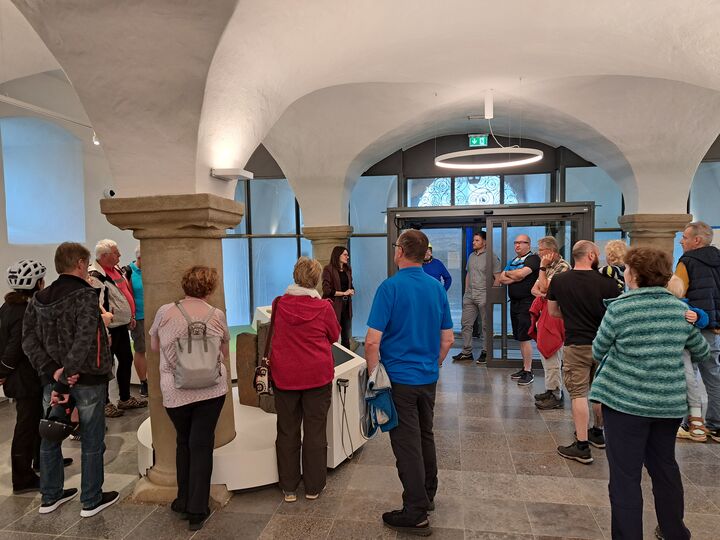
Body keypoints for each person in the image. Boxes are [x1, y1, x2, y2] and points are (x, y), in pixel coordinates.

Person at [589, 246, 711, 540]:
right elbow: (702, 350)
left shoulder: (620, 307)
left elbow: (597, 349)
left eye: (629, 269)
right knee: (664, 467)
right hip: (667, 405)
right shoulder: (679, 309)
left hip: (624, 404)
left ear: (634, 275)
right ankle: (674, 531)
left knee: (625, 476)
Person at [365, 229, 454, 536]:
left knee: (406, 443)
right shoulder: (436, 288)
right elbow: (448, 338)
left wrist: (374, 377)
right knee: (425, 434)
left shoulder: (389, 288)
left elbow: (372, 342)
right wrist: (435, 362)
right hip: (427, 377)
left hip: (399, 379)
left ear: (400, 251)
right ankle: (428, 494)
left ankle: (415, 511)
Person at [22, 242, 118, 517]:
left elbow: (28, 340)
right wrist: (65, 375)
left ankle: (50, 497)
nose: (87, 269)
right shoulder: (86, 296)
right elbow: (85, 339)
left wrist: (52, 370)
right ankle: (91, 499)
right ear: (79, 264)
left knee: (50, 435)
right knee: (91, 439)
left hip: (51, 380)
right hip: (86, 379)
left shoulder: (39, 298)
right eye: (86, 265)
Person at [149, 266, 230, 531]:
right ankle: (197, 509)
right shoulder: (216, 315)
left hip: (175, 390)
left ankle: (182, 499)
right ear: (210, 288)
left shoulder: (165, 311)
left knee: (183, 441)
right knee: (201, 444)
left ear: (185, 285)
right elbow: (224, 353)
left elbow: (153, 346)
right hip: (211, 390)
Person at [270, 257, 340, 503]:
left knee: (287, 429)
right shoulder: (324, 308)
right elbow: (334, 335)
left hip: (285, 376)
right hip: (316, 377)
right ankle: (313, 486)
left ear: (294, 275)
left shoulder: (279, 304)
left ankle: (288, 487)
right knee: (315, 431)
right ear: (316, 280)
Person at [547, 240, 620, 464]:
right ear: (590, 256)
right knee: (598, 391)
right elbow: (615, 314)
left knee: (578, 394)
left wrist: (570, 316)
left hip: (575, 343)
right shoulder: (607, 282)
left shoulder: (559, 280)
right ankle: (598, 433)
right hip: (602, 343)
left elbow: (553, 312)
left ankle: (581, 445)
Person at [1, 260, 47, 493]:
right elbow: (15, 347)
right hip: (23, 378)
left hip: (25, 377)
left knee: (35, 419)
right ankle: (22, 478)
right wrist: (3, 371)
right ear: (37, 283)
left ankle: (39, 461)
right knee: (26, 426)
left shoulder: (9, 306)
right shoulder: (23, 311)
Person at [88, 239, 147, 417]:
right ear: (104, 256)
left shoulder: (117, 270)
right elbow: (96, 305)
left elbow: (125, 294)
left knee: (126, 360)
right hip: (109, 329)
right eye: (116, 252)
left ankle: (125, 398)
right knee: (106, 367)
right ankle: (105, 403)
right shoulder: (95, 276)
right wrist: (104, 331)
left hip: (121, 326)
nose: (120, 255)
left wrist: (131, 316)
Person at [674, 221, 720, 442]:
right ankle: (716, 425)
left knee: (688, 374)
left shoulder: (687, 262)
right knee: (714, 375)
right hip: (715, 328)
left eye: (684, 237)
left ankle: (690, 423)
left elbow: (677, 293)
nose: (681, 240)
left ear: (697, 240)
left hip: (692, 327)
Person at [667, 275, 711, 442]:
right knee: (689, 382)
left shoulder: (686, 307)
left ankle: (696, 417)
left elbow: (704, 318)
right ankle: (693, 418)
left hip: (683, 350)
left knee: (690, 381)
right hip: (677, 351)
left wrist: (697, 317)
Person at [530, 236, 571, 409]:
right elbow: (534, 289)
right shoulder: (548, 267)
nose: (538, 254)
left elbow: (545, 288)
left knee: (553, 357)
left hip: (556, 319)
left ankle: (556, 395)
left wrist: (542, 269)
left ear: (551, 252)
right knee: (546, 358)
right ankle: (550, 388)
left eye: (541, 251)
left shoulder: (563, 267)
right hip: (544, 315)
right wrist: (545, 292)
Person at [498, 234, 541, 384]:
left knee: (525, 337)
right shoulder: (513, 261)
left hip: (527, 303)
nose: (517, 245)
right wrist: (514, 275)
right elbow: (501, 278)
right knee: (519, 337)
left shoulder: (533, 259)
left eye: (521, 243)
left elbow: (522, 274)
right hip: (515, 303)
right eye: (515, 243)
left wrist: (515, 274)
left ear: (528, 244)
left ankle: (529, 371)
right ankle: (525, 367)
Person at [452, 231, 501, 364]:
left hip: (484, 294)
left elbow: (498, 278)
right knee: (466, 324)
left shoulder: (492, 257)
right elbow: (468, 274)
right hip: (470, 295)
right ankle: (467, 352)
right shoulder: (471, 256)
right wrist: (466, 291)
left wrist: (492, 295)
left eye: (477, 240)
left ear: (484, 242)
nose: (473, 242)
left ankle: (486, 352)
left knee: (486, 325)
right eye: (473, 240)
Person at [124, 245, 147, 397]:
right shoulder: (129, 272)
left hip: (155, 316)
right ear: (139, 258)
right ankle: (144, 382)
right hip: (138, 318)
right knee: (140, 349)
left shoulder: (152, 270)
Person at [321, 245, 354, 349]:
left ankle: (349, 363)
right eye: (345, 255)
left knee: (346, 337)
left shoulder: (347, 269)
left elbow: (351, 285)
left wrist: (352, 290)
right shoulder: (328, 269)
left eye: (347, 255)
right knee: (333, 336)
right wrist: (344, 293)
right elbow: (326, 290)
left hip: (346, 305)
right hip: (334, 306)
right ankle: (332, 361)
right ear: (337, 255)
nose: (347, 257)